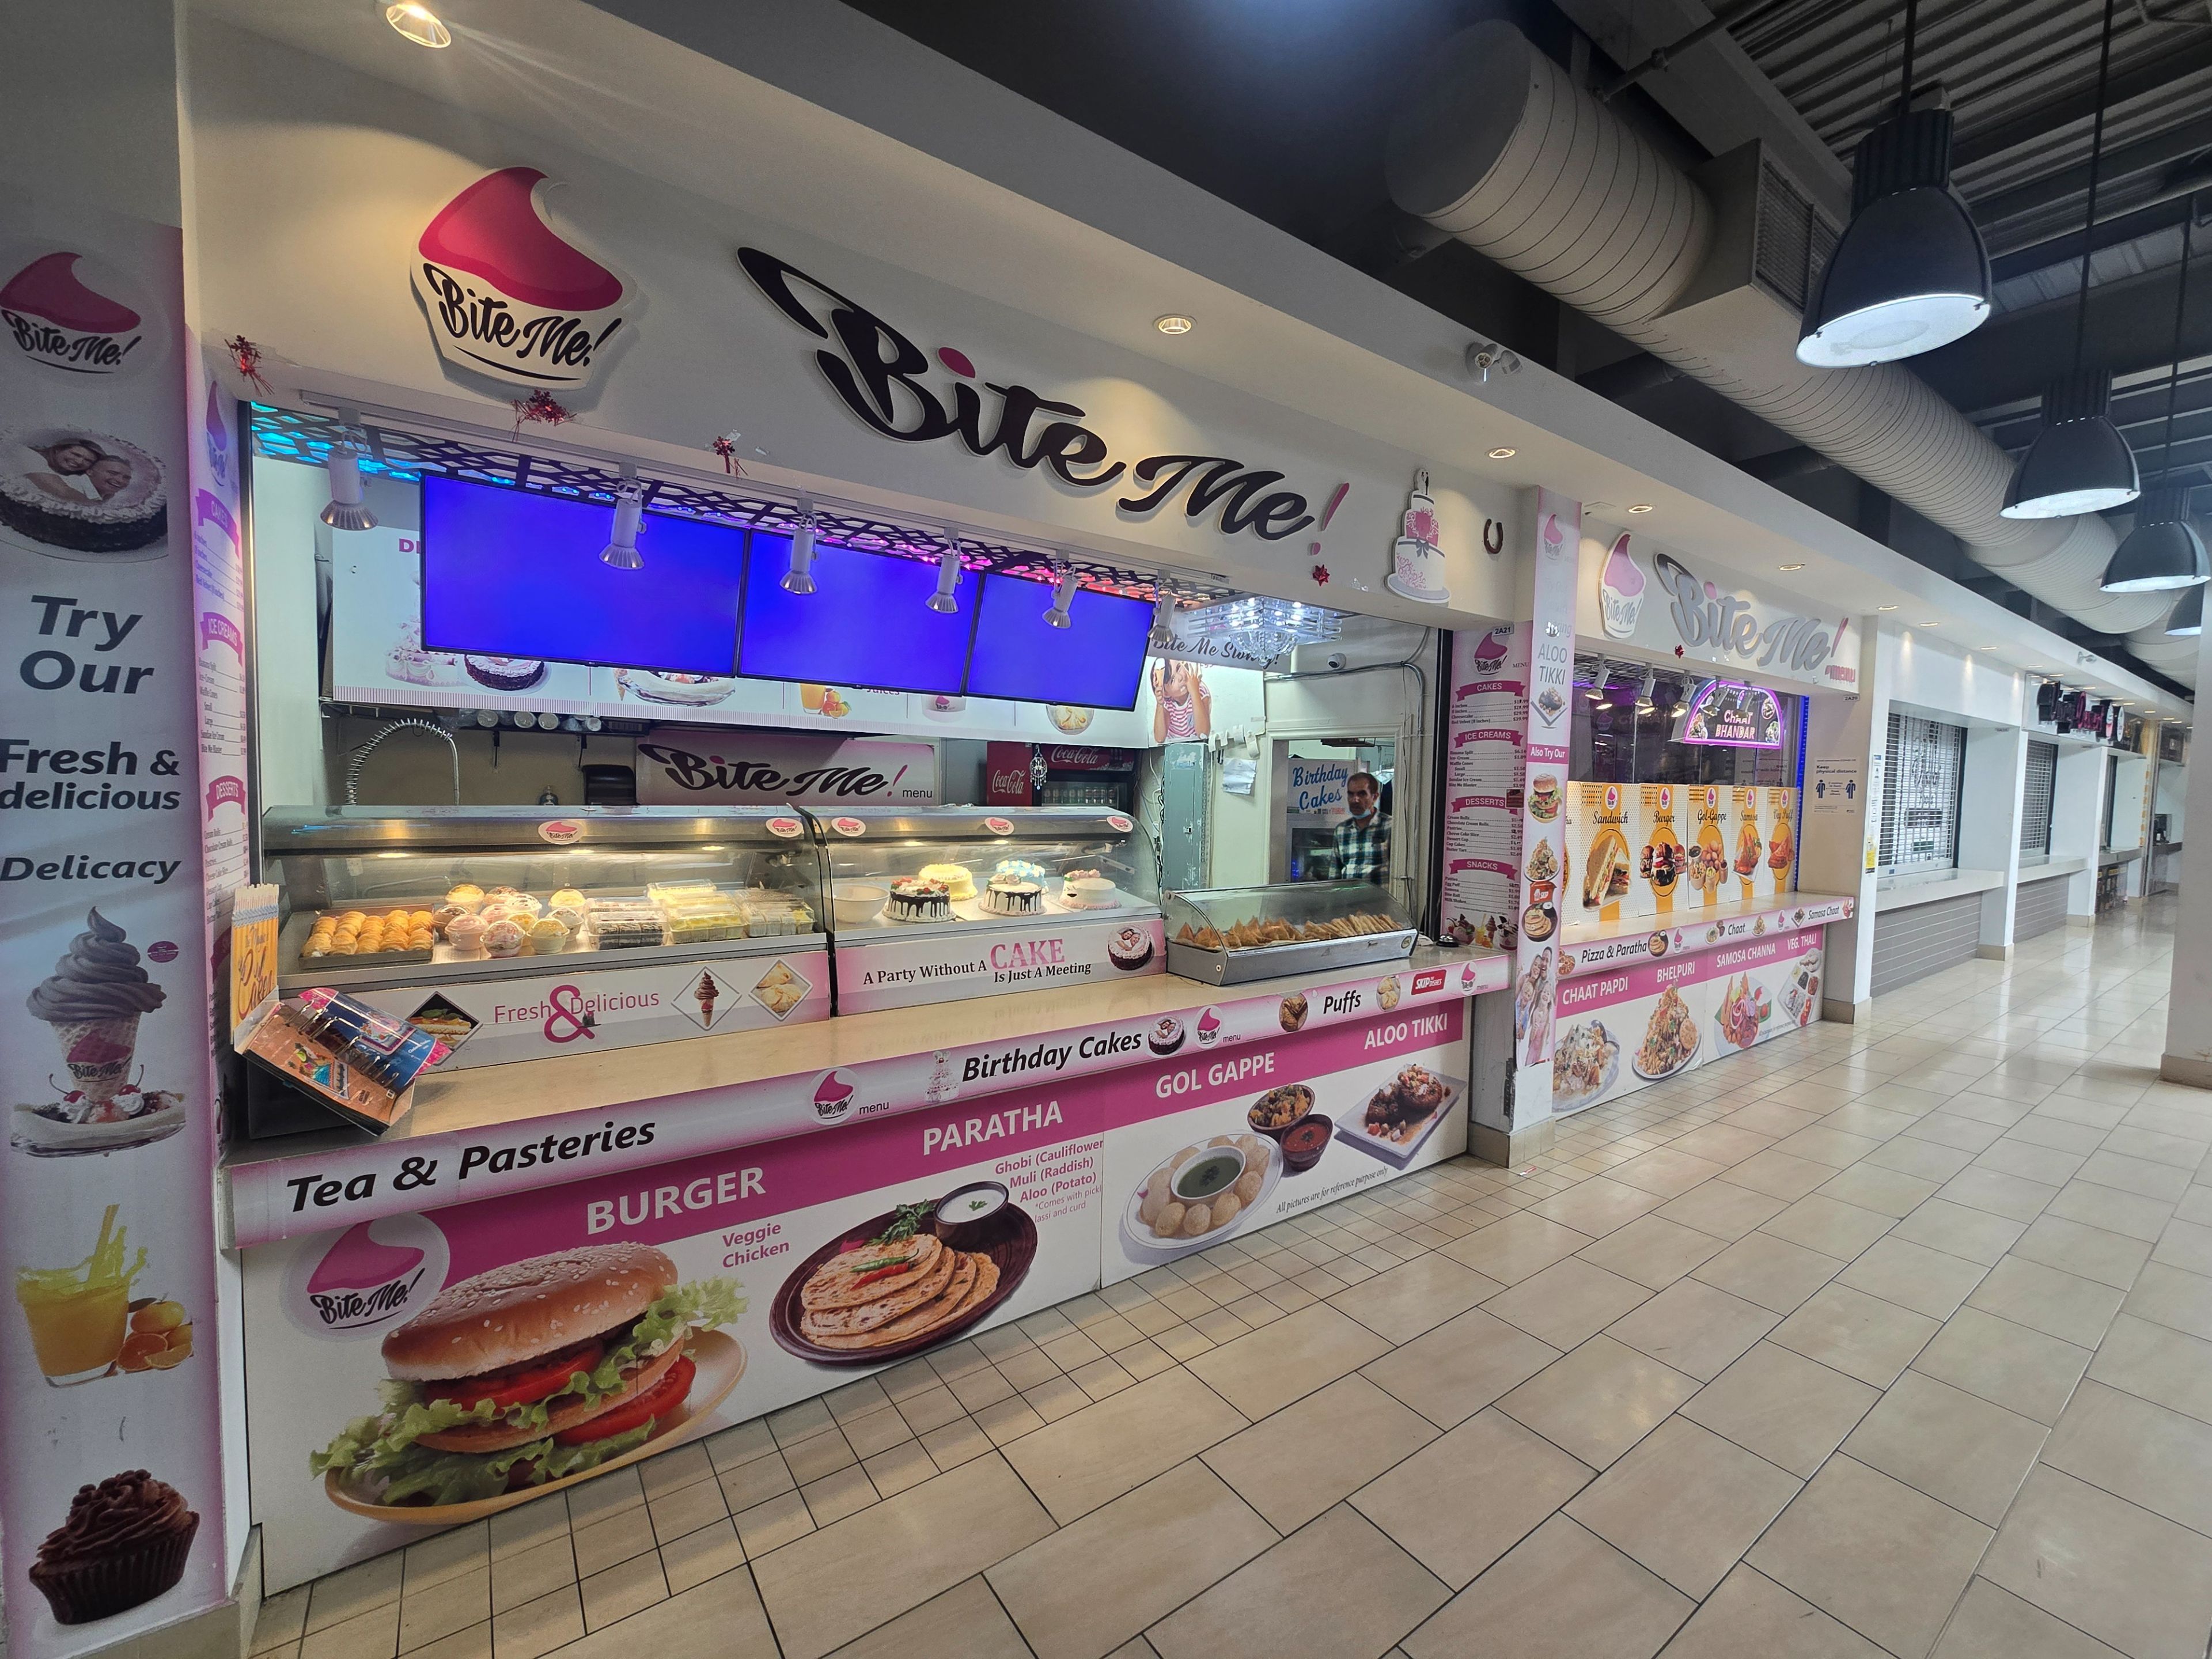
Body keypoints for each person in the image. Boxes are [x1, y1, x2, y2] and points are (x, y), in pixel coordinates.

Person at [1330, 770, 1390, 884]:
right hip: (1349, 894)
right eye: (1351, 794)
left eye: (1362, 794)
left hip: (1379, 895)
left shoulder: (1389, 826)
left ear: (1375, 797)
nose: (1355, 800)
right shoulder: (1342, 830)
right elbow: (1334, 874)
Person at [1150, 659, 1212, 741]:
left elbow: (1203, 734)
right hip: (1174, 744)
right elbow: (1160, 739)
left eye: (1179, 668)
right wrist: (1160, 704)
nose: (1180, 677)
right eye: (1172, 680)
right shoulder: (1168, 704)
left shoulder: (1200, 691)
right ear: (1166, 694)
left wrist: (1195, 692)